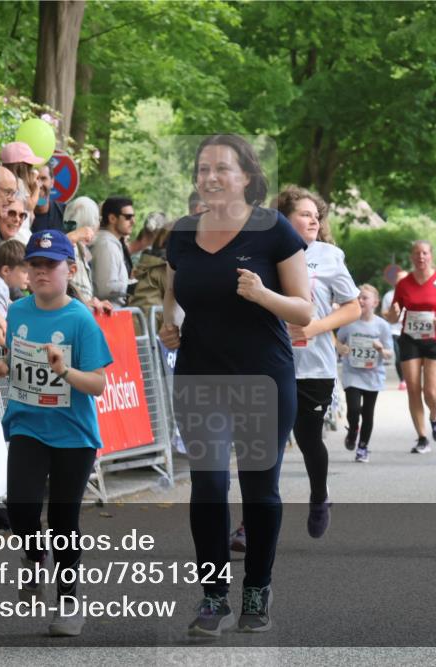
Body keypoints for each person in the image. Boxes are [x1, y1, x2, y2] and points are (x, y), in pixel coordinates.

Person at [159, 134, 313, 636]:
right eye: (203, 168)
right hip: (200, 372)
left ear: (246, 176)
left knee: (258, 487)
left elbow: (304, 309)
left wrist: (264, 294)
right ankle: (213, 596)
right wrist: (168, 321)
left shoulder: (274, 230)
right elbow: (173, 289)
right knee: (207, 484)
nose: (210, 177)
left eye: (221, 168)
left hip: (262, 375)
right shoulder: (182, 233)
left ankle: (257, 589)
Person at [0, 230, 112, 637]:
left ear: (69, 270)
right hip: (27, 425)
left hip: (73, 434)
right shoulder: (18, 311)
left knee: (63, 518)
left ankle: (70, 602)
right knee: (21, 508)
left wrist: (63, 372)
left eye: (50, 265)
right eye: (34, 265)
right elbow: (13, 357)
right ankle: (33, 555)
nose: (41, 272)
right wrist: (1, 367)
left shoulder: (80, 320)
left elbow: (98, 385)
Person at [276, 185, 360, 537]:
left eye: (316, 215)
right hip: (271, 362)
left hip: (314, 365)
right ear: (284, 218)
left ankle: (319, 496)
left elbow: (352, 306)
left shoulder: (328, 255)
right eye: (305, 214)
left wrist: (315, 327)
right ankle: (252, 523)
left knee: (308, 439)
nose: (313, 220)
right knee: (267, 444)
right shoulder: (262, 254)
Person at [386, 241, 436, 453]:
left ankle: (435, 417)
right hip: (410, 338)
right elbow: (393, 316)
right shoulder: (404, 284)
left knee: (430, 390)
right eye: (417, 253)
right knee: (412, 389)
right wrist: (392, 313)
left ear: (431, 256)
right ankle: (422, 438)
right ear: (412, 257)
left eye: (425, 253)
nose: (421, 257)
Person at [335, 284, 394, 463]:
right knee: (353, 409)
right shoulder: (349, 322)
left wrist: (381, 349)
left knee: (368, 413)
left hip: (373, 374)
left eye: (364, 298)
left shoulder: (382, 326)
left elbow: (390, 353)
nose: (360, 300)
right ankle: (353, 429)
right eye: (358, 297)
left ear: (375, 302)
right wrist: (342, 348)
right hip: (352, 373)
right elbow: (337, 341)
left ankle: (363, 447)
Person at [92, 197, 134, 306]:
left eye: (133, 217)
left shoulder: (110, 243)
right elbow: (106, 288)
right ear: (112, 218)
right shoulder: (106, 245)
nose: (133, 221)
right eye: (128, 217)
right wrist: (133, 286)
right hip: (108, 314)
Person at [381, 269, 408, 390]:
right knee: (399, 357)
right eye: (399, 279)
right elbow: (384, 312)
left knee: (409, 357)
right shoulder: (389, 295)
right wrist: (392, 313)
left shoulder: (413, 293)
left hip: (410, 331)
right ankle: (403, 380)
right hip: (394, 331)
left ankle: (411, 379)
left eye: (405, 279)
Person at [30, 163, 67, 233]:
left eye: (43, 178)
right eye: (35, 179)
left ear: (52, 182)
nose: (39, 185)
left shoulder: (65, 213)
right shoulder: (18, 214)